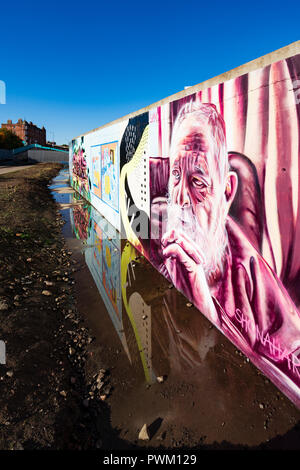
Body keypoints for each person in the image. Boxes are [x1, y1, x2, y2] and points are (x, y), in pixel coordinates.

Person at [159, 101, 300, 402]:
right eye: (174, 176)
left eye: (197, 182)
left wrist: (206, 312)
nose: (181, 198)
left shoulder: (250, 274)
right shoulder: (160, 254)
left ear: (226, 191)